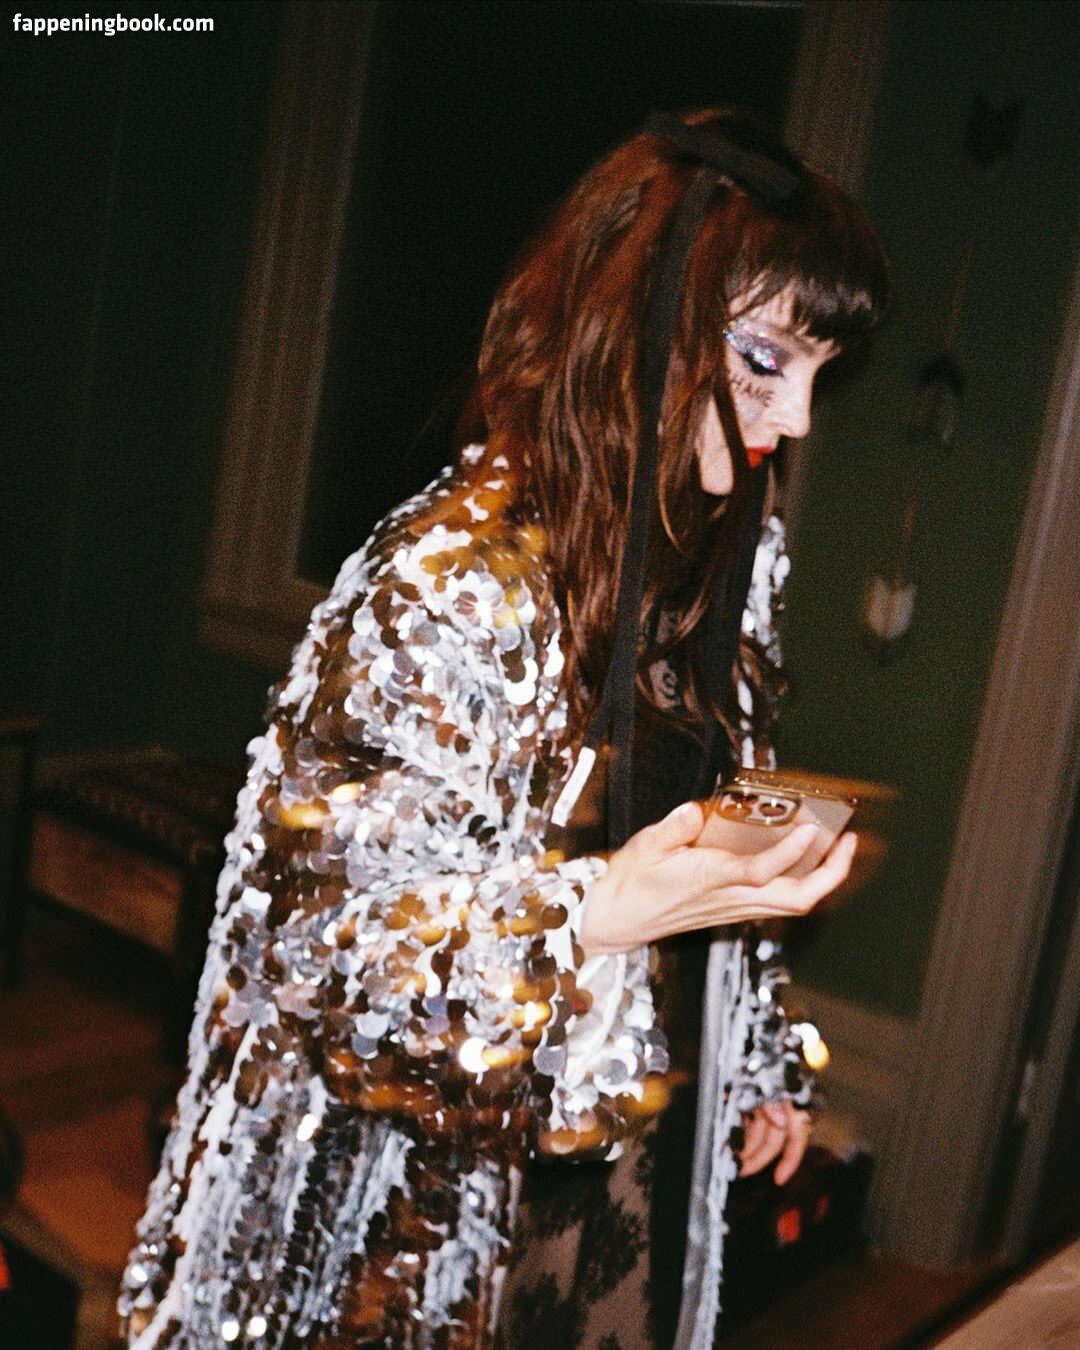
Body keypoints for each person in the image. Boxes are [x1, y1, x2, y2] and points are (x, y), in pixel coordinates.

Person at [120, 108, 886, 1349]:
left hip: (632, 1166)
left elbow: (694, 841)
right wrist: (592, 913)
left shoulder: (725, 559)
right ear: (633, 329)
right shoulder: (451, 582)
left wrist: (751, 1063)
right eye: (763, 359)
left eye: (818, 371)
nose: (796, 417)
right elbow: (333, 963)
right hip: (419, 1202)